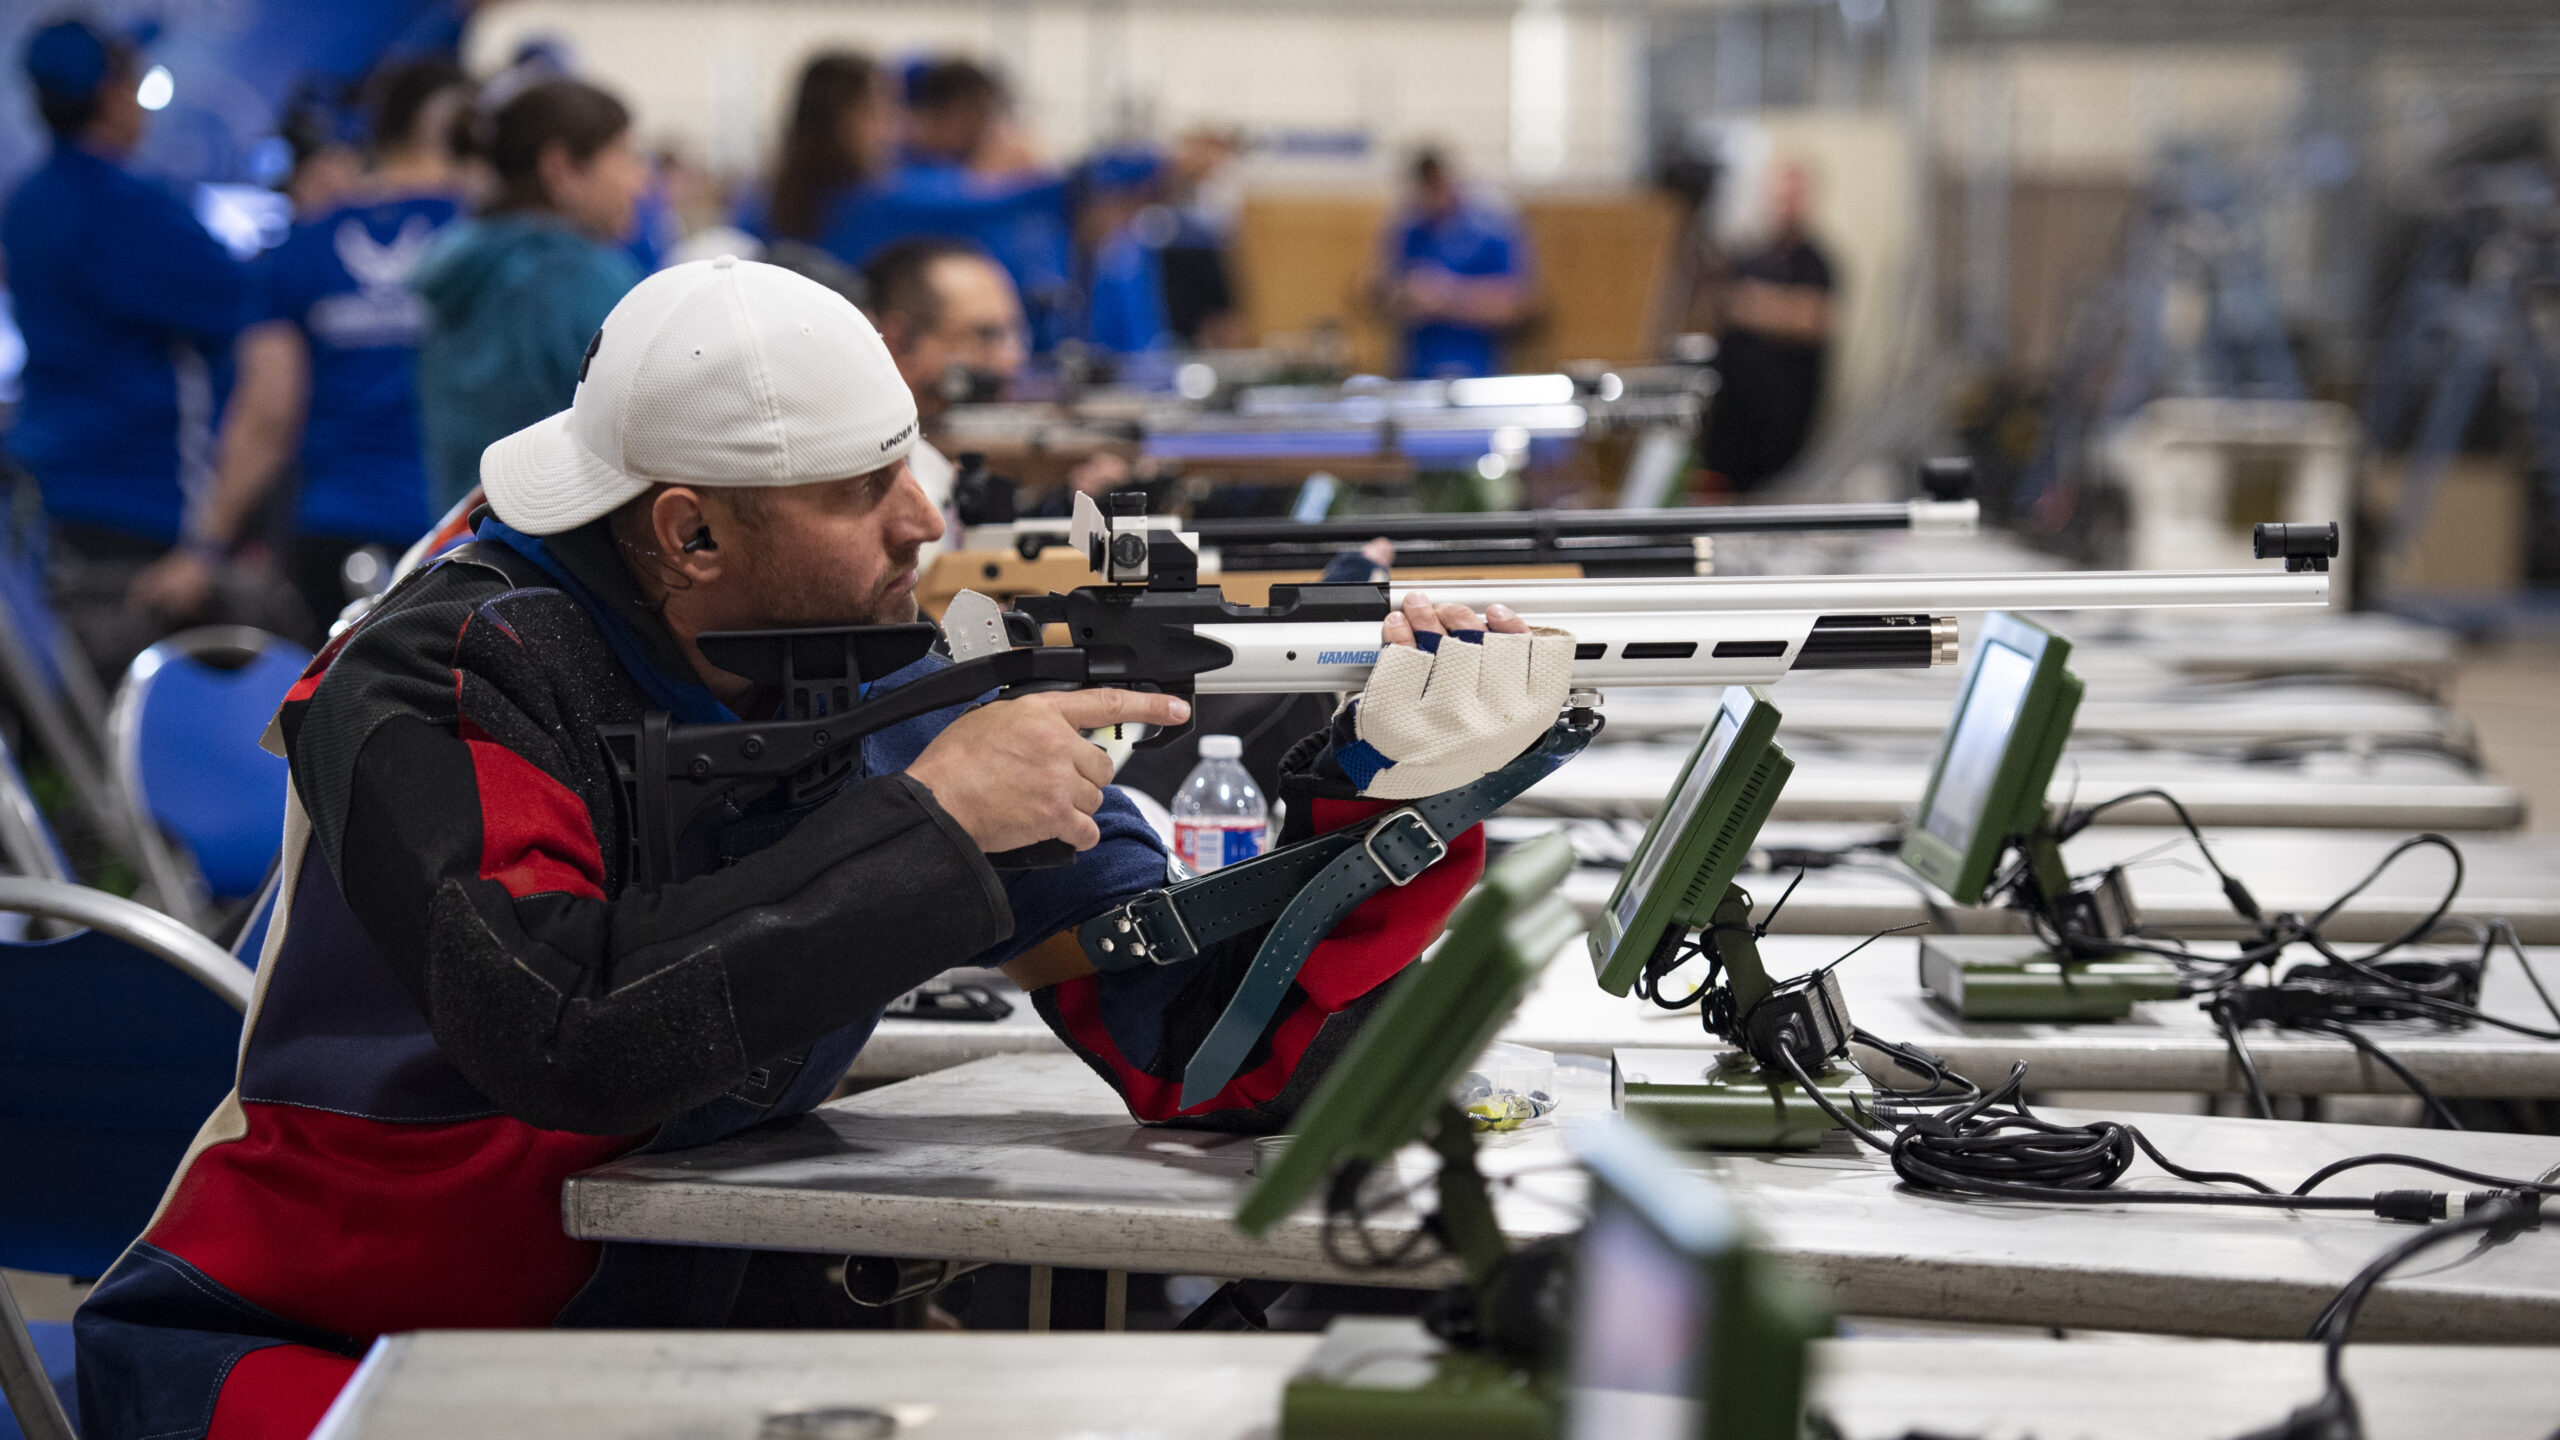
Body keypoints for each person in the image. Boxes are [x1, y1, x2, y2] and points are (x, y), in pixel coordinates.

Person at [73, 255, 1568, 1437]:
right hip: (323, 1352)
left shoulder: (867, 661)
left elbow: (1201, 1045)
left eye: (909, 462)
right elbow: (560, 1032)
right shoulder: (448, 672)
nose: (927, 517)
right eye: (866, 488)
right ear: (691, 535)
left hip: (658, 1343)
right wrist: (930, 827)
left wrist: (1389, 808)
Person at [131, 58, 476, 634]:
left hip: (338, 534)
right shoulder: (489, 246)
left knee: (345, 720)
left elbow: (267, 415)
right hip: (465, 533)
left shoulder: (303, 248)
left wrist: (204, 549)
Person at [2, 18, 304, 673]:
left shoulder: (27, 203)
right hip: (146, 519)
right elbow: (261, 332)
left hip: (52, 502)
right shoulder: (131, 210)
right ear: (111, 94)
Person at [412, 77, 648, 514]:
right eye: (624, 156)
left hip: (464, 542)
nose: (640, 181)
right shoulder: (576, 276)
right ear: (561, 169)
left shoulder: (462, 268)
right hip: (555, 550)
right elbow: (647, 431)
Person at [1700, 161, 1836, 493]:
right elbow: (1716, 306)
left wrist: (1749, 305)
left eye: (1793, 197)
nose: (1785, 205)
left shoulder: (1815, 262)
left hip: (1784, 418)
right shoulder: (1751, 258)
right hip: (1738, 418)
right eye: (1779, 196)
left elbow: (1813, 319)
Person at [1372, 146, 1533, 380]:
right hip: (1415, 371)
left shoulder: (1493, 229)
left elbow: (1515, 304)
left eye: (1435, 187)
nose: (1430, 198)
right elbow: (1378, 291)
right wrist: (1400, 295)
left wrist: (1445, 297)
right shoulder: (1408, 228)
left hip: (1477, 371)